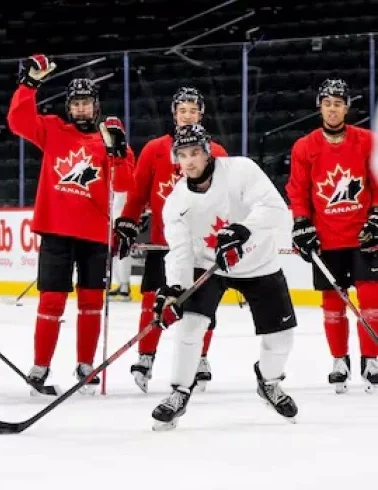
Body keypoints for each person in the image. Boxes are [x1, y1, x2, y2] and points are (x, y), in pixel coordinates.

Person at [150, 124, 297, 430]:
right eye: (182, 155)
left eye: (195, 153)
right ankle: (180, 391)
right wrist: (173, 289)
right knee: (191, 326)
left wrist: (243, 230)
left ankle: (269, 381)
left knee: (281, 335)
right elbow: (180, 251)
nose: (189, 161)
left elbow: (275, 209)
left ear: (207, 153)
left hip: (258, 263)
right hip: (208, 265)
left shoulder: (241, 170)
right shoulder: (177, 202)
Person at [7, 54, 135, 395]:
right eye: (75, 103)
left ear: (96, 105)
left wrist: (119, 153)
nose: (81, 109)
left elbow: (125, 184)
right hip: (56, 232)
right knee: (51, 301)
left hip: (95, 234)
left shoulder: (109, 138)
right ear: (68, 107)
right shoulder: (53, 130)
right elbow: (18, 121)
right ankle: (40, 365)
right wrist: (28, 85)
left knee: (91, 303)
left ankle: (85, 365)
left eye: (86, 103)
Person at [114, 87, 229, 392]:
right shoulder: (154, 149)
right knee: (152, 301)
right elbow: (138, 193)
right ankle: (146, 356)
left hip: (203, 247)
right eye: (182, 110)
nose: (187, 115)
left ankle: (200, 357)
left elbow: (229, 197)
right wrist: (127, 222)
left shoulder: (217, 153)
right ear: (174, 115)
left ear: (201, 115)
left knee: (203, 306)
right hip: (163, 245)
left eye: (193, 110)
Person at [286, 78, 378, 393]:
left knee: (371, 300)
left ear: (347, 107)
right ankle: (339, 361)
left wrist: (376, 215)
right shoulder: (305, 146)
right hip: (327, 239)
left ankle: (371, 360)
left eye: (338, 104)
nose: (332, 109)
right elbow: (298, 190)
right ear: (320, 107)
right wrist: (301, 221)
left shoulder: (367, 141)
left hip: (364, 235)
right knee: (332, 303)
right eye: (327, 104)